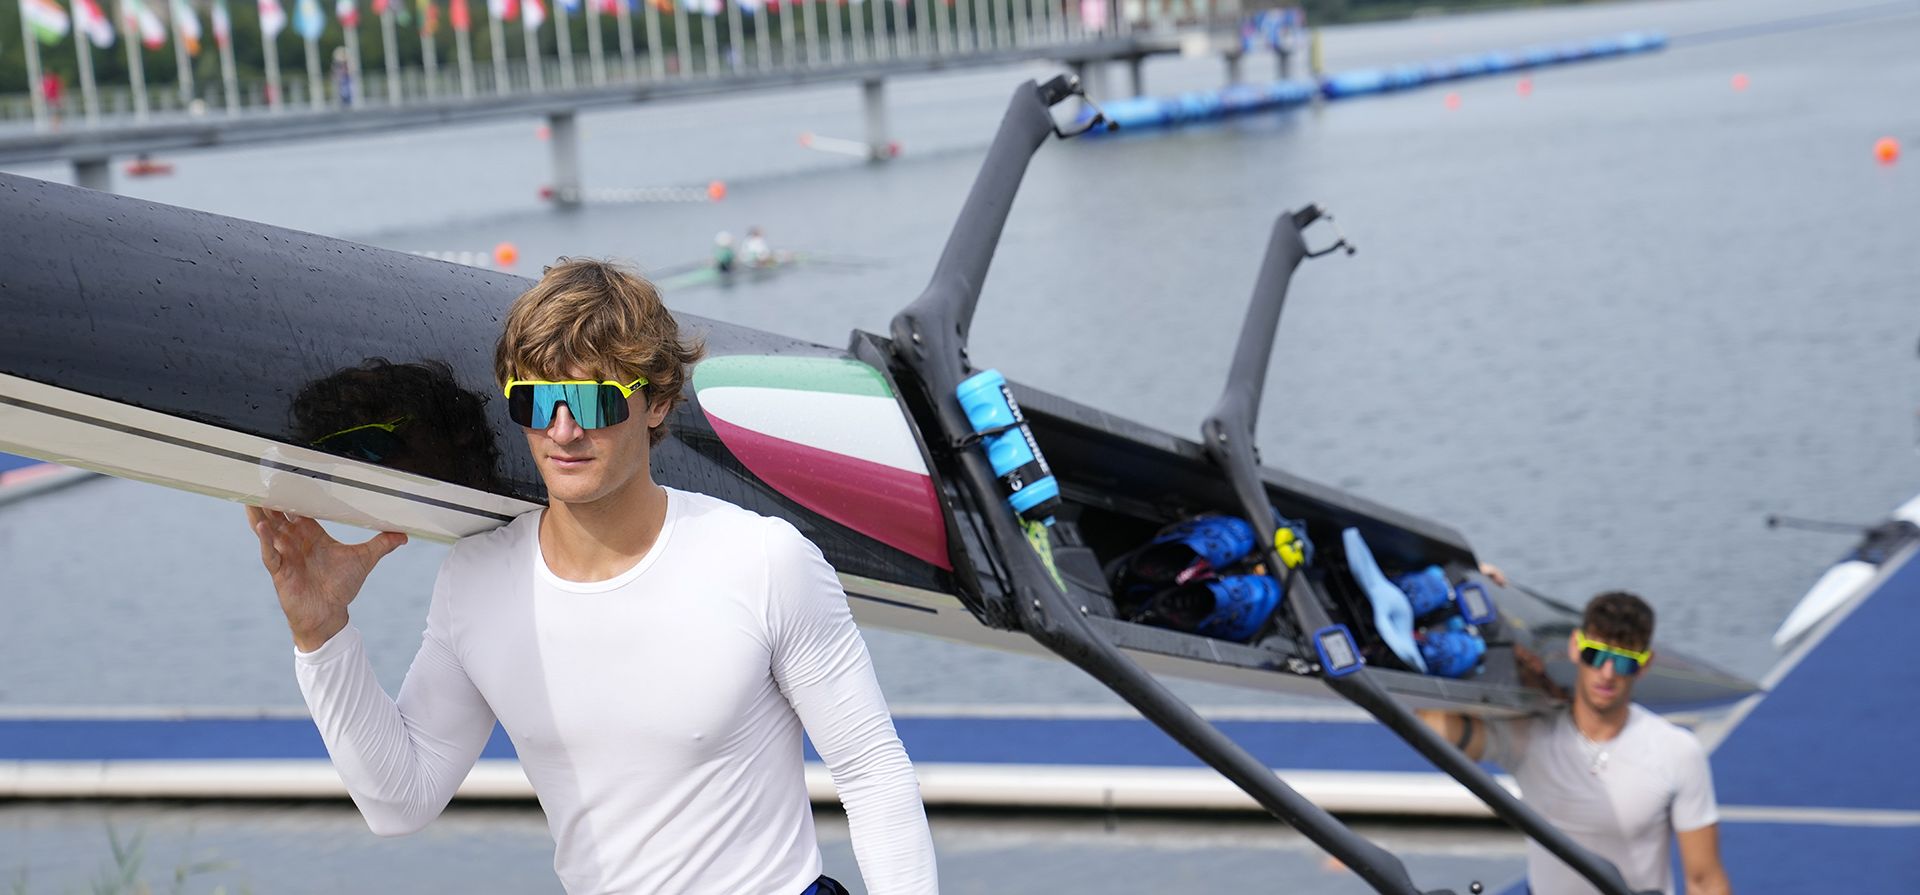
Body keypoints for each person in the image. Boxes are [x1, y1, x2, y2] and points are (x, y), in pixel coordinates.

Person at [246, 258, 938, 894]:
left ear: (657, 403)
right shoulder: (477, 582)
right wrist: (322, 633)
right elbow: (399, 800)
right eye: (535, 402)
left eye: (595, 402)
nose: (564, 432)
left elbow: (872, 773)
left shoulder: (763, 561)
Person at [1419, 591, 1730, 895]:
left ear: (1645, 665)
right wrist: (1474, 661)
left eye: (1624, 662)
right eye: (1596, 655)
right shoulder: (1530, 735)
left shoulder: (1677, 751)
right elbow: (1430, 729)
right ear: (1575, 647)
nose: (1607, 674)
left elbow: (1705, 881)